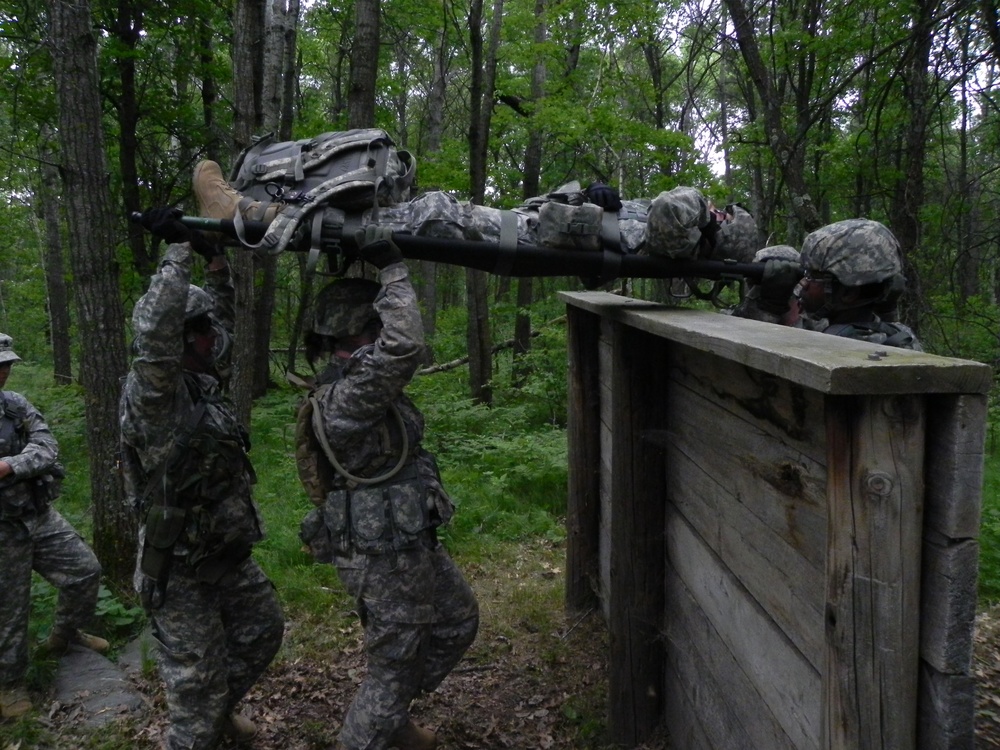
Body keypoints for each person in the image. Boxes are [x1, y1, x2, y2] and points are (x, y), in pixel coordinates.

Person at [293, 229, 479, 750]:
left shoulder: (356, 383)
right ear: (360, 330)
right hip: (383, 559)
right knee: (390, 670)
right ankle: (378, 722)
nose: (382, 332)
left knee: (458, 620)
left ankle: (390, 714)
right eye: (375, 324)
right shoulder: (349, 393)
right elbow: (405, 346)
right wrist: (392, 269)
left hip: (407, 546)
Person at [122, 208, 284, 749]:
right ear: (184, 339)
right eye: (202, 332)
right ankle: (200, 727)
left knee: (262, 629)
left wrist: (216, 261)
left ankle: (216, 715)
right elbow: (154, 331)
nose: (215, 339)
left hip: (225, 552)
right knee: (194, 690)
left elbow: (227, 323)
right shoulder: (155, 395)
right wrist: (175, 254)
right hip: (180, 569)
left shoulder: (204, 374)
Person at [0, 334, 107, 720]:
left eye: (6, 365)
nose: (4, 373)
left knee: (84, 571)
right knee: (8, 612)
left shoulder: (14, 406)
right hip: (2, 530)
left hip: (36, 514)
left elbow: (46, 444)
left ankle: (64, 637)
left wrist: (11, 465)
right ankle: (9, 686)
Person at [743, 218, 921, 350]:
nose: (803, 284)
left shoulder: (826, 347)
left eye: (812, 277)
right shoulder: (901, 335)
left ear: (848, 294)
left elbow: (748, 366)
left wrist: (768, 306)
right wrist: (887, 310)